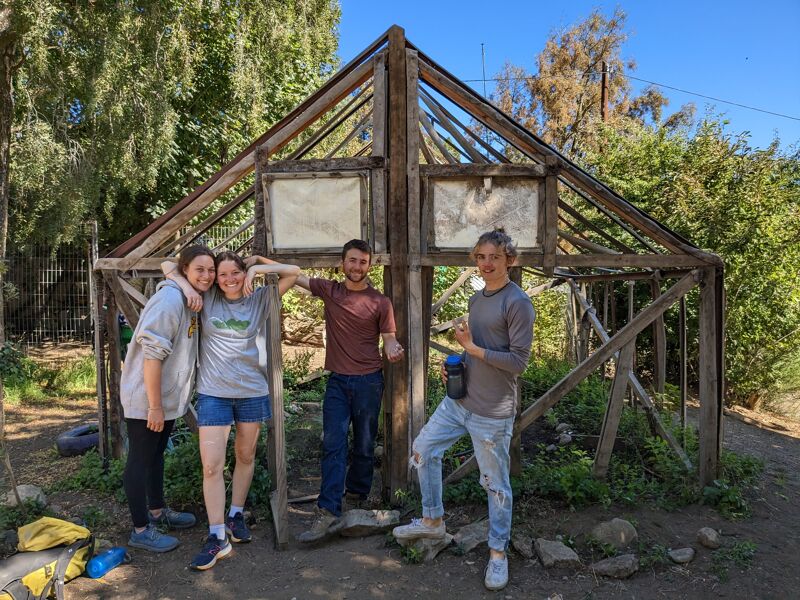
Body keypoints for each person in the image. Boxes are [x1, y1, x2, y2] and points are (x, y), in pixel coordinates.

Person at [392, 229, 535, 591]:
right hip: (459, 401)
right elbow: (478, 350)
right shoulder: (476, 298)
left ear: (510, 261)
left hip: (492, 410)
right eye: (480, 257)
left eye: (494, 257)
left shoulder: (517, 303)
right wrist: (456, 365)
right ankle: (432, 521)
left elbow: (518, 362)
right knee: (423, 451)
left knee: (495, 485)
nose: (486, 264)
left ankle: (498, 554)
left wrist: (470, 348)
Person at [163, 251, 300, 570]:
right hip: (214, 394)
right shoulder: (206, 296)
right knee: (211, 466)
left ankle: (236, 515)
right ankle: (216, 536)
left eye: (234, 273)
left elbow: (293, 271)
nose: (227, 280)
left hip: (252, 392)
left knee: (246, 456)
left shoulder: (260, 297)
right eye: (221, 274)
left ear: (242, 273)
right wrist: (185, 287)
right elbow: (168, 266)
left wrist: (255, 266)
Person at [296, 239, 404, 543]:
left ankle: (357, 496)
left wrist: (394, 348)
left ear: (370, 265)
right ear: (342, 263)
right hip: (338, 382)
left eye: (363, 262)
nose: (357, 267)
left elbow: (390, 338)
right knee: (333, 442)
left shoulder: (380, 302)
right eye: (352, 261)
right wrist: (256, 262)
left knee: (366, 444)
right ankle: (328, 509)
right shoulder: (331, 290)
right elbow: (291, 275)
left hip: (369, 380)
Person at [121, 245, 216, 553]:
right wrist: (155, 406)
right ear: (185, 270)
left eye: (210, 270)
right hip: (147, 399)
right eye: (199, 269)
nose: (207, 275)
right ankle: (140, 529)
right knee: (139, 459)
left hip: (165, 397)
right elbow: (151, 355)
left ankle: (158, 511)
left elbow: (167, 265)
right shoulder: (170, 300)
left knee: (155, 455)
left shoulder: (188, 297)